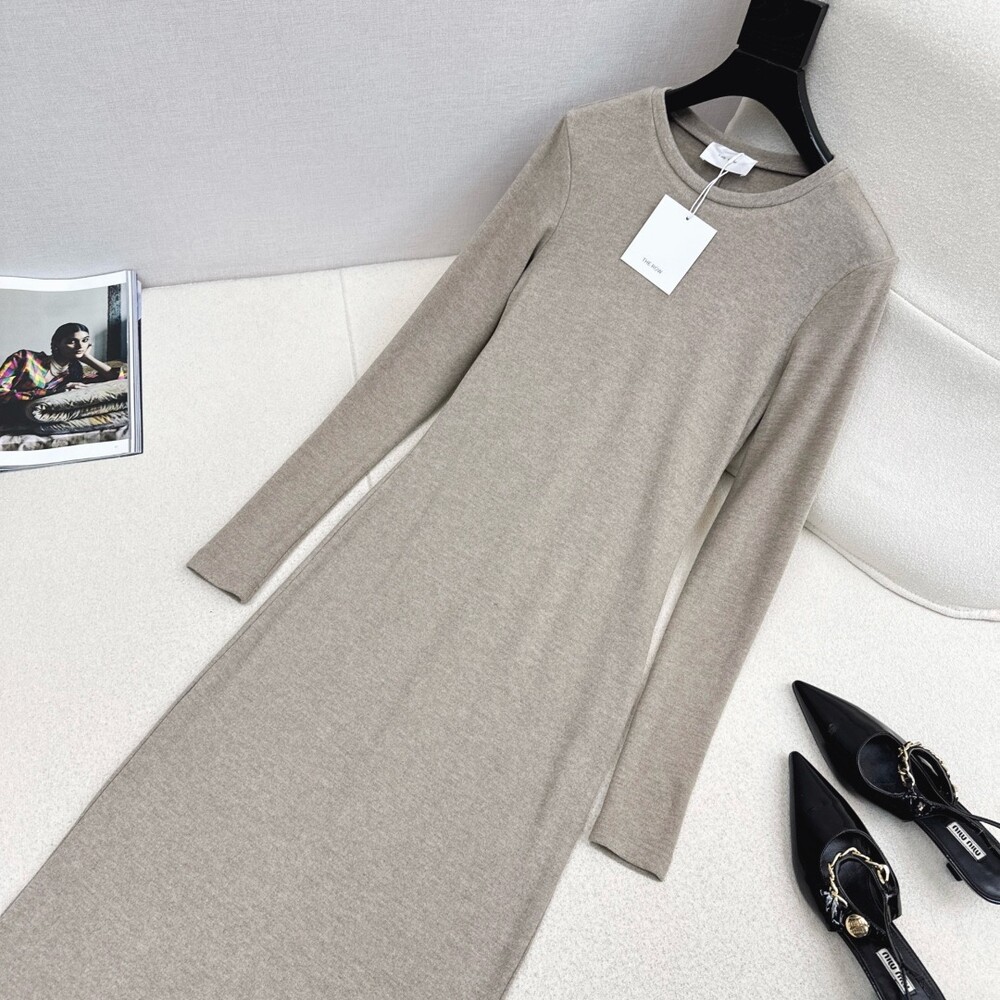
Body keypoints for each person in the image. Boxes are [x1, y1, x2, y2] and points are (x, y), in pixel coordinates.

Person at [0, 322, 123, 428]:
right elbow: (1, 394)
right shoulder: (24, 358)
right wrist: (50, 392)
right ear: (56, 344)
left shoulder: (73, 374)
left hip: (33, 420)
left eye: (85, 340)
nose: (80, 346)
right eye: (72, 341)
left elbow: (116, 379)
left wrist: (87, 359)